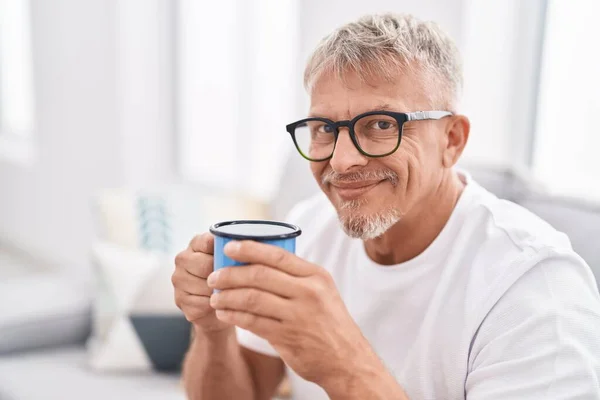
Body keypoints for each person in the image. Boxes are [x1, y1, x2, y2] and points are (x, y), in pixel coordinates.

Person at [172, 13, 600, 400]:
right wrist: (213, 330)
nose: (341, 161)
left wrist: (342, 364)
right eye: (324, 128)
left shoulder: (534, 286)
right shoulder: (309, 229)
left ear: (451, 140)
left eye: (380, 125)